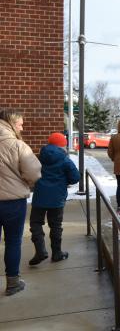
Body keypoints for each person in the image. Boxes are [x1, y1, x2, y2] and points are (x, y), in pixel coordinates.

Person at [0, 109, 41, 295]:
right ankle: (13, 283)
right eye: (20, 124)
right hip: (12, 202)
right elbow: (33, 173)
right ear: (11, 123)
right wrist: (25, 182)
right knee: (13, 242)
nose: (22, 127)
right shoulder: (18, 146)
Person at [29, 132, 81, 266]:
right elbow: (75, 177)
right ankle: (57, 253)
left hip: (40, 196)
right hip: (57, 198)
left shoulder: (39, 157)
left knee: (35, 223)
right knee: (56, 225)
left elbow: (32, 172)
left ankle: (40, 251)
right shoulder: (65, 160)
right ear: (62, 145)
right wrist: (65, 180)